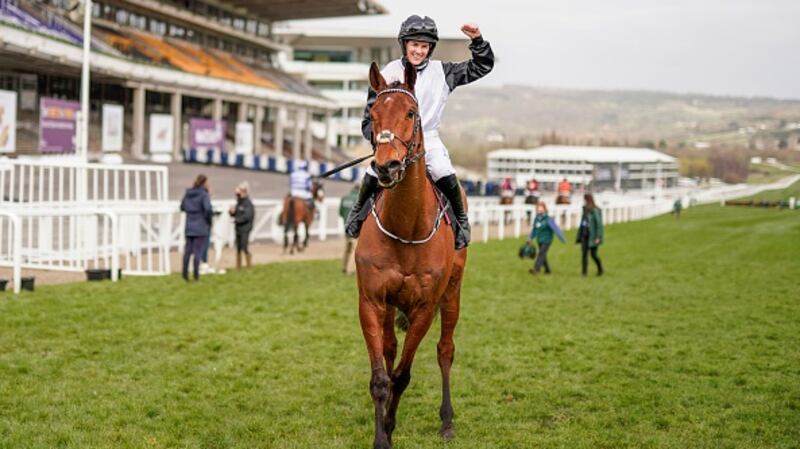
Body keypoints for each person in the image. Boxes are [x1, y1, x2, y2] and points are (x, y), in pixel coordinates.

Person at [344, 15, 495, 249]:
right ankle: (357, 213)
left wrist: (477, 40)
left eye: (424, 46)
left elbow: (482, 66)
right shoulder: (388, 71)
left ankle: (461, 222)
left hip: (429, 139)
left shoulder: (443, 72)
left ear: (430, 48)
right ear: (405, 44)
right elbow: (369, 118)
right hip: (392, 140)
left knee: (443, 170)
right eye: (415, 45)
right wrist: (380, 140)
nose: (419, 51)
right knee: (373, 172)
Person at [180, 174, 212, 281]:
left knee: (188, 252)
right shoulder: (204, 194)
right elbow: (207, 209)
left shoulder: (188, 193)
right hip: (200, 225)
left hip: (189, 225)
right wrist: (208, 221)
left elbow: (182, 206)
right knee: (197, 252)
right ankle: (195, 275)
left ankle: (184, 274)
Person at [527, 202, 565, 275]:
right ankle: (548, 270)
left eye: (541, 209)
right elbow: (534, 229)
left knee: (541, 253)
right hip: (540, 239)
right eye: (538, 209)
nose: (540, 211)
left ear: (545, 209)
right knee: (543, 255)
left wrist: (561, 238)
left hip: (547, 240)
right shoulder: (536, 219)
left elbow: (556, 229)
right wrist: (530, 238)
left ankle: (536, 269)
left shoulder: (548, 219)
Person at [229, 181, 255, 270]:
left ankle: (249, 265)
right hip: (238, 228)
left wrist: (237, 220)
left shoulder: (248, 203)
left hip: (245, 229)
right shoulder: (239, 202)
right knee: (238, 248)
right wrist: (232, 213)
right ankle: (238, 267)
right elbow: (237, 213)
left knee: (244, 247)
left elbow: (247, 216)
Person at [577, 193, 604, 276]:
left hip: (592, 236)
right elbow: (582, 223)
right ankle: (584, 273)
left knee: (593, 255)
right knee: (584, 255)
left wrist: (598, 237)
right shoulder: (584, 209)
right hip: (584, 235)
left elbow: (599, 224)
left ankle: (600, 268)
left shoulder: (595, 210)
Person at [339, 181, 361, 274]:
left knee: (347, 248)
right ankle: (350, 270)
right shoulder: (359, 198)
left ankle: (344, 267)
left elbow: (340, 212)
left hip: (346, 226)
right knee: (354, 249)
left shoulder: (344, 198)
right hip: (355, 227)